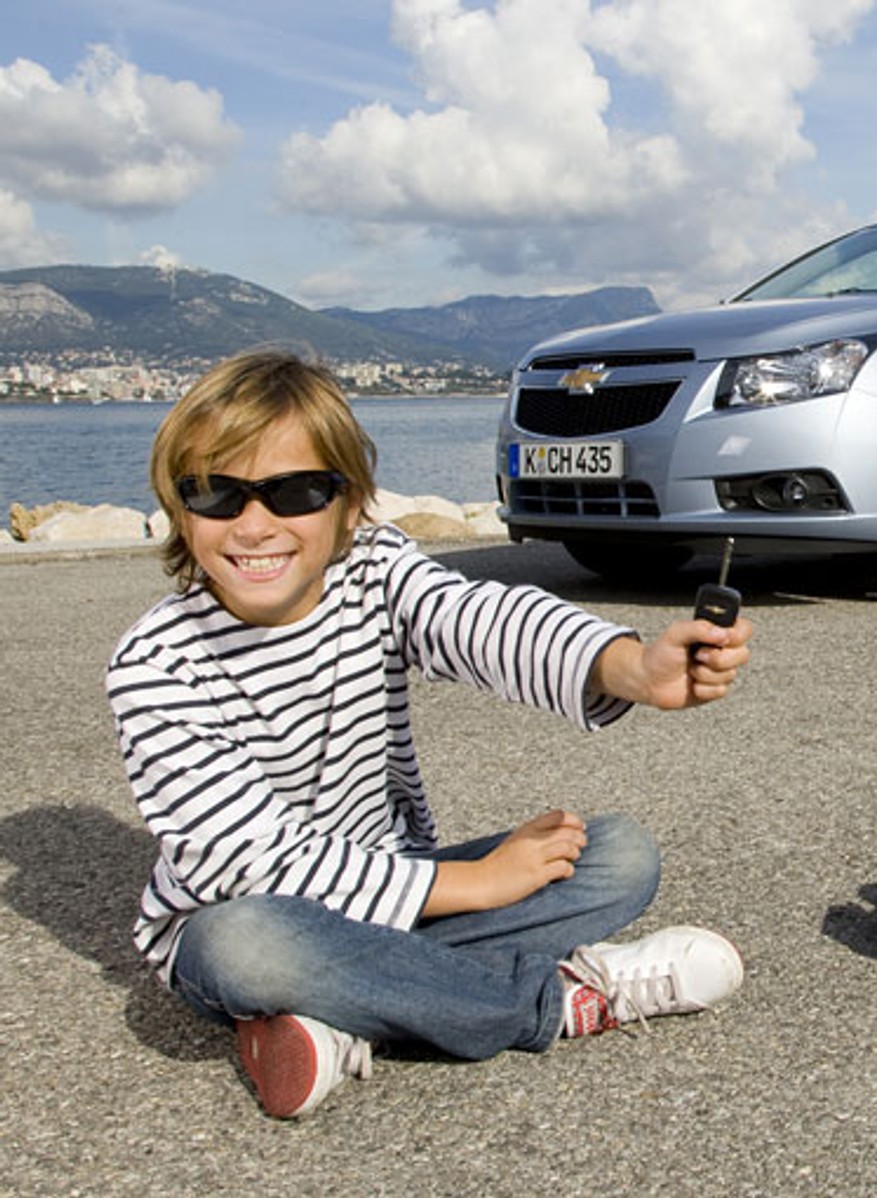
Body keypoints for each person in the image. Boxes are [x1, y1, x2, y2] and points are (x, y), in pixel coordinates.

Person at [106, 348, 756, 1118]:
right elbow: (245, 862)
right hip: (247, 914)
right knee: (248, 945)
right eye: (216, 493)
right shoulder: (155, 665)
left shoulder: (374, 572)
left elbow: (480, 620)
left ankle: (345, 1011)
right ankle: (557, 1000)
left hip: (396, 883)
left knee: (619, 856)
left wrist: (629, 668)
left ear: (349, 504)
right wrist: (474, 885)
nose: (254, 526)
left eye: (295, 491)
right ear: (179, 506)